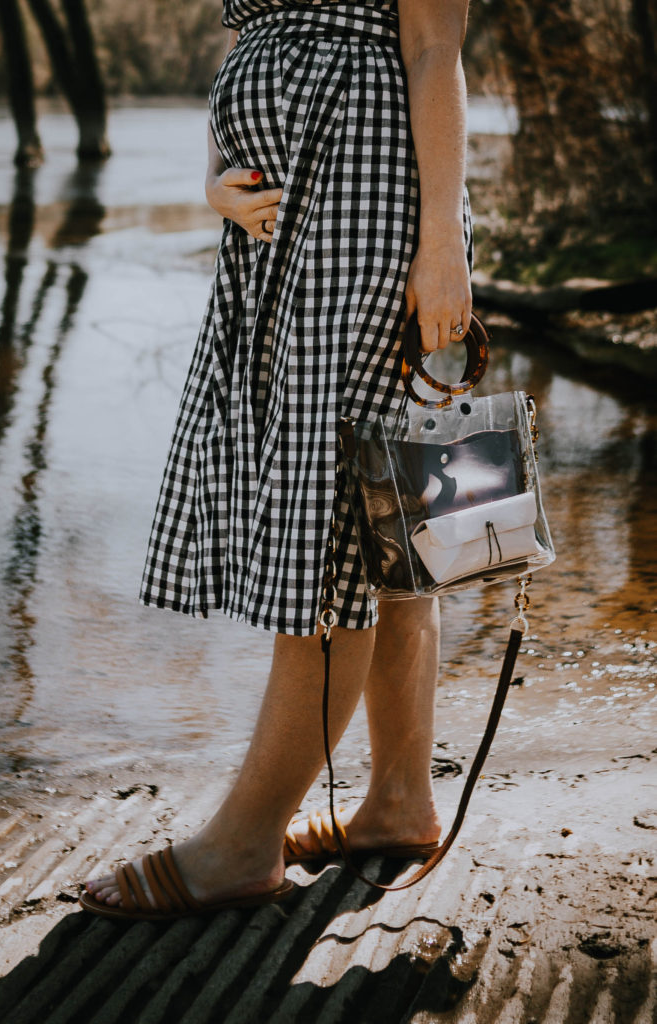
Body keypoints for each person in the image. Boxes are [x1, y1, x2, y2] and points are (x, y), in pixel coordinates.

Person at [81, 0, 473, 920]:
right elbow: (248, 45)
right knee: (384, 514)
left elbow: (431, 45)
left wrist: (441, 246)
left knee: (328, 520)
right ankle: (397, 804)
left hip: (364, 197)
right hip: (275, 222)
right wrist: (216, 174)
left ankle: (242, 844)